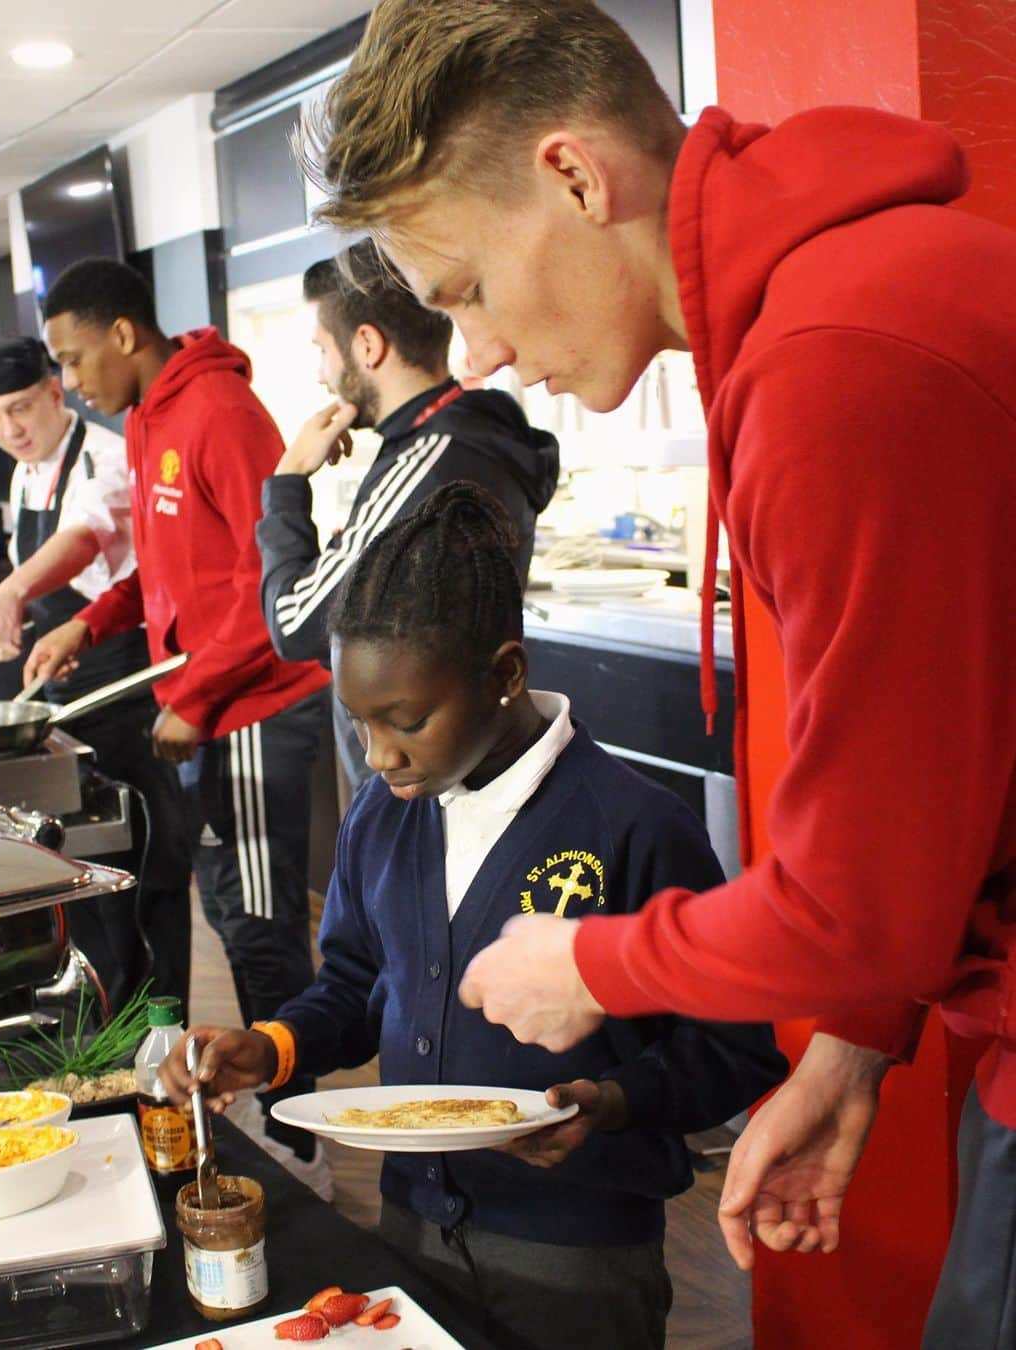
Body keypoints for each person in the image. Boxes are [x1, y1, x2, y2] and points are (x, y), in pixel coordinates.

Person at [305, 0, 1016, 1340]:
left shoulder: (838, 361)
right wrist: (856, 1039)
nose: (483, 353)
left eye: (464, 290)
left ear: (576, 174)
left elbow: (860, 901)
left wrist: (593, 959)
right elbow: (950, 795)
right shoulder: (842, 304)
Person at [160, 482, 787, 1350]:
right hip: (413, 1224)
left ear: (503, 675)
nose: (378, 756)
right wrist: (271, 1047)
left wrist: (609, 1102)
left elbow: (732, 1050)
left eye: (406, 722)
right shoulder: (383, 815)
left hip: (578, 1256)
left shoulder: (634, 827)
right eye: (359, 722)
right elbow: (352, 984)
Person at [24, 259, 334, 1198]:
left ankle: (300, 1126)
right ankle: (278, 1112)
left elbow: (268, 582)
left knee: (261, 922)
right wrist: (94, 617)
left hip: (253, 707)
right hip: (210, 709)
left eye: (74, 361)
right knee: (233, 910)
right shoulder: (150, 418)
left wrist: (197, 696)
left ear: (124, 335)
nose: (71, 384)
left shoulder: (222, 415)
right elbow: (169, 573)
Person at [257, 237, 559, 789]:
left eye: (323, 349)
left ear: (367, 345)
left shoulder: (429, 457)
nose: (323, 373)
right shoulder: (465, 439)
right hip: (454, 770)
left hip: (422, 783)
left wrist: (286, 484)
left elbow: (294, 625)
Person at [0, 335, 192, 1014]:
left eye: (22, 408)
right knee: (90, 894)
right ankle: (109, 1043)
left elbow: (86, 537)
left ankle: (162, 1044)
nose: (11, 429)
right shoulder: (24, 474)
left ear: (56, 392)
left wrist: (10, 591)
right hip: (66, 698)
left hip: (126, 696)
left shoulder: (107, 456)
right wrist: (16, 621)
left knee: (146, 883)